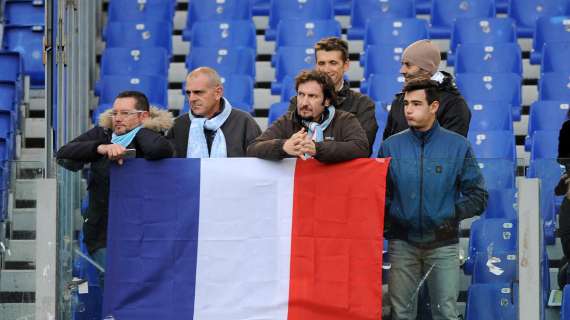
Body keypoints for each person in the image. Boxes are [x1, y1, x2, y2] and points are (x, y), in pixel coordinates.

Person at [378, 80, 487, 320]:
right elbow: (379, 195)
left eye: (416, 104)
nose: (408, 109)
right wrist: (393, 218)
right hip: (402, 243)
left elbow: (478, 196)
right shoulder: (389, 146)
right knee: (400, 314)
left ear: (434, 106)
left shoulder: (458, 146)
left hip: (443, 243)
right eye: (406, 103)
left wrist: (449, 215)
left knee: (445, 313)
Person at [56, 91, 174, 284]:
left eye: (125, 113)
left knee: (140, 286)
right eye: (115, 113)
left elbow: (160, 150)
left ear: (143, 116)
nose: (117, 118)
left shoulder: (153, 136)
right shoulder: (102, 133)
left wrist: (136, 133)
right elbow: (63, 153)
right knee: (114, 284)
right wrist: (100, 148)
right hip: (102, 232)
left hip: (143, 231)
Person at [248, 69, 369, 162]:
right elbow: (253, 148)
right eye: (301, 94)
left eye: (312, 96)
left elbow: (361, 148)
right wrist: (283, 146)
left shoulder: (344, 120)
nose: (304, 102)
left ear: (326, 101)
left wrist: (317, 149)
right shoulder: (287, 120)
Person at [286, 37, 378, 148]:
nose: (326, 69)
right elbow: (292, 142)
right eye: (321, 63)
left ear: (346, 65)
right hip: (306, 164)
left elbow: (362, 148)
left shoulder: (363, 104)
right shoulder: (297, 102)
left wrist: (318, 149)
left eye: (333, 63)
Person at [383, 39, 471, 140]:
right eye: (402, 64)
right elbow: (386, 148)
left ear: (427, 68)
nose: (402, 70)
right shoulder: (398, 102)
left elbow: (451, 150)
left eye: (408, 65)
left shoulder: (454, 104)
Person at [167, 67, 261, 157]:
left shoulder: (244, 122)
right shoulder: (178, 126)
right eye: (188, 93)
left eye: (198, 92)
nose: (191, 99)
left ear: (218, 92)